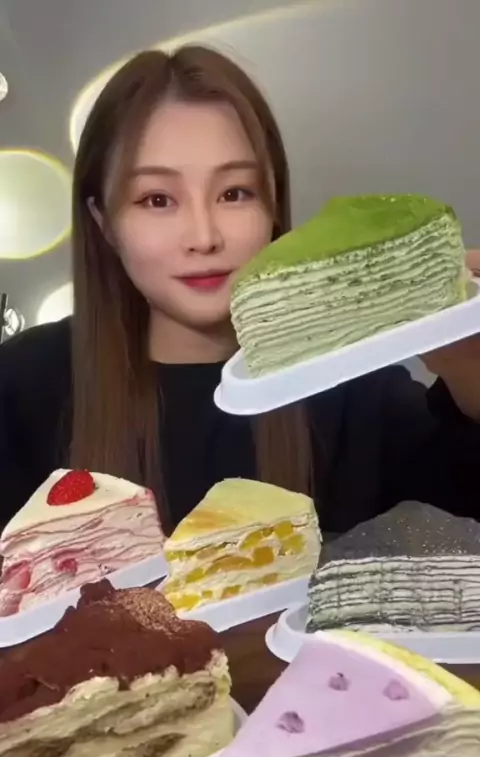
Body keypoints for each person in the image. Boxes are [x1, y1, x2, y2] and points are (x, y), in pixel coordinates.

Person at [0, 46, 479, 538]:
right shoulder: (22, 386)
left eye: (234, 193)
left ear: (272, 204)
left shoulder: (352, 384)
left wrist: (465, 359)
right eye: (157, 199)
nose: (204, 236)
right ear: (103, 221)